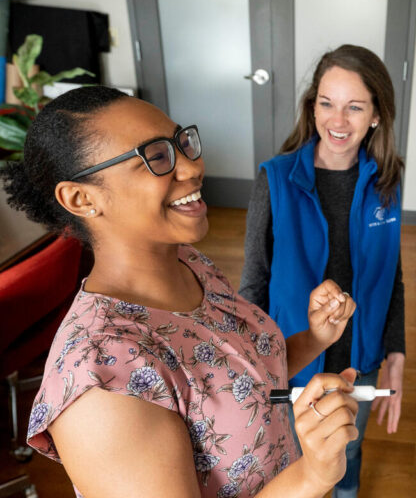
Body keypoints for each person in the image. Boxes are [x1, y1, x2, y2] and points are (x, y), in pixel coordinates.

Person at [1, 86, 363, 498]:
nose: (192, 166)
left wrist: (315, 338)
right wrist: (312, 476)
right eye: (156, 156)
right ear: (82, 198)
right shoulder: (100, 383)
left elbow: (241, 381)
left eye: (182, 142)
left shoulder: (189, 262)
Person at [239, 44, 405, 498]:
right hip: (293, 359)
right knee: (297, 457)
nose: (338, 120)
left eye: (355, 107)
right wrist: (250, 367)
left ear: (375, 116)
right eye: (326, 103)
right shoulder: (275, 178)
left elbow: (393, 275)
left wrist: (396, 356)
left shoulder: (387, 181)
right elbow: (253, 281)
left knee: (347, 448)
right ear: (312, 108)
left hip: (360, 358)